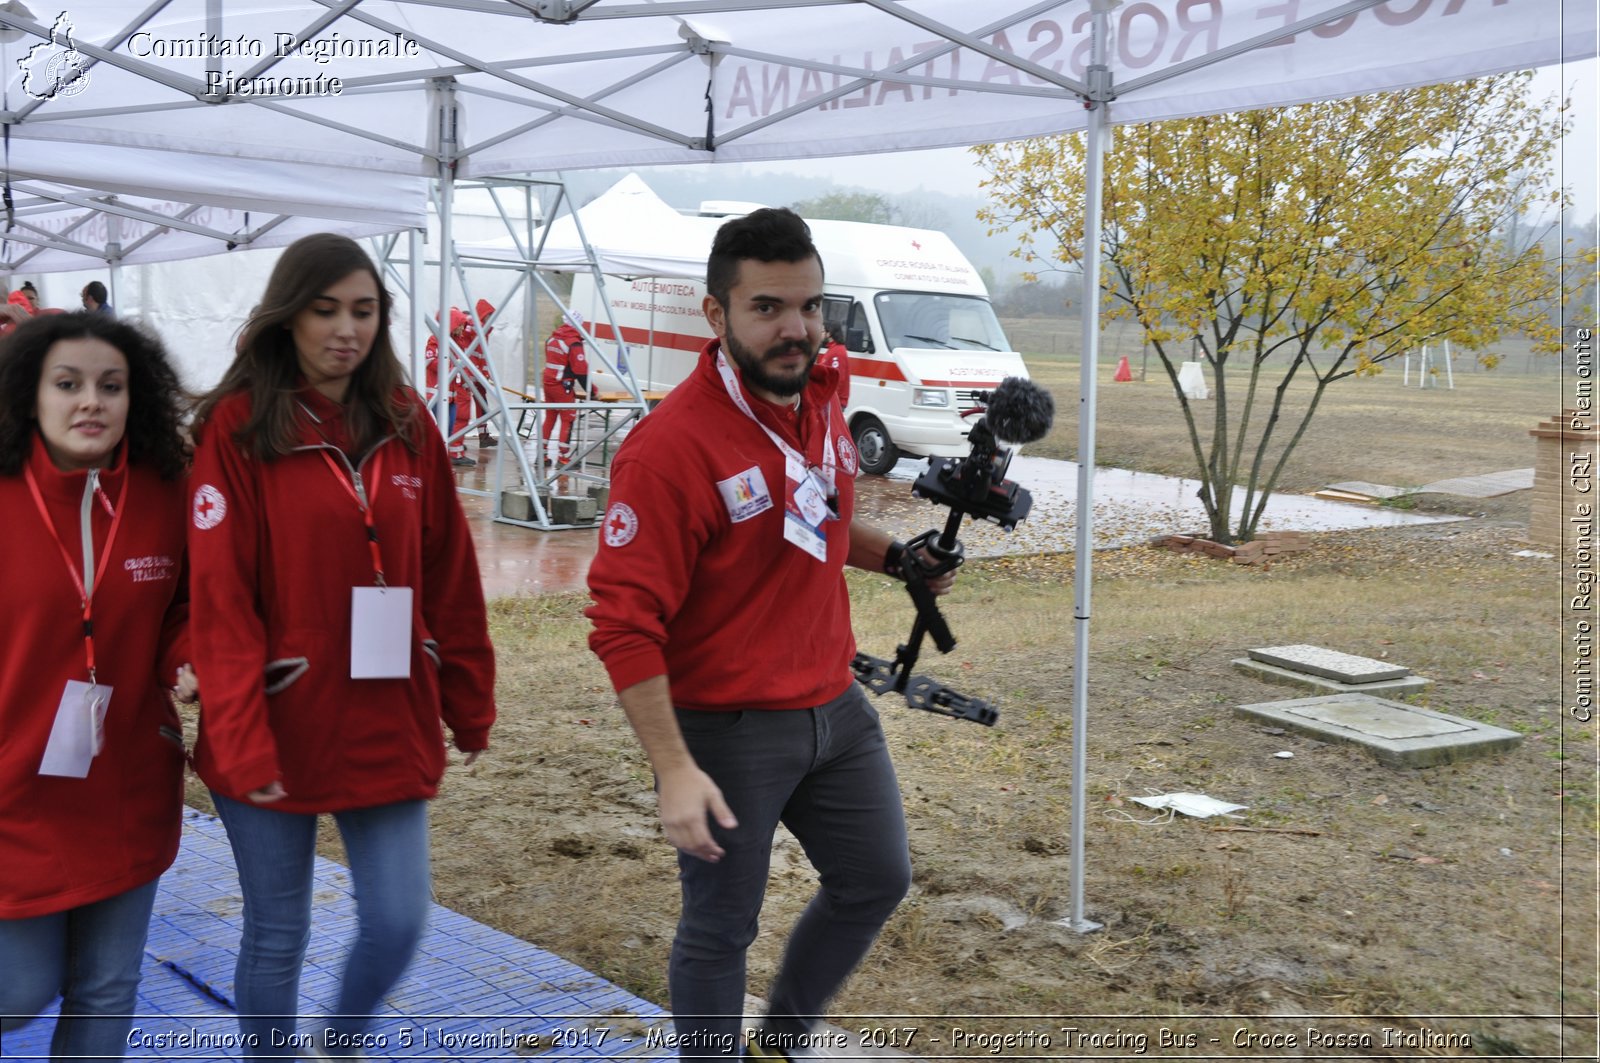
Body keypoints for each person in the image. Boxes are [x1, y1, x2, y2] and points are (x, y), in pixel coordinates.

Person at [586, 208, 953, 1060]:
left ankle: (778, 1041)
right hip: (729, 729)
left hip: (835, 705)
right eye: (768, 308)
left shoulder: (819, 389)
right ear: (716, 316)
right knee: (721, 928)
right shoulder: (667, 452)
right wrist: (675, 770)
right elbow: (622, 626)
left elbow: (816, 511)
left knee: (876, 878)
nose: (796, 328)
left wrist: (898, 554)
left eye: (810, 305)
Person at [187, 233, 496, 1061]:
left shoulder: (405, 420)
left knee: (399, 917)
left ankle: (340, 1043)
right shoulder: (239, 428)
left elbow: (449, 573)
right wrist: (241, 734)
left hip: (385, 707)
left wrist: (469, 697)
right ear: (288, 317)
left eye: (363, 310)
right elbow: (218, 600)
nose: (345, 330)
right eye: (325, 310)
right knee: (277, 933)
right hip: (273, 717)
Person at [0, 312, 196, 1060]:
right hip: (15, 791)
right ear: (30, 397)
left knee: (108, 988)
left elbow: (184, 603)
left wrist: (185, 654)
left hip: (125, 783)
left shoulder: (162, 491)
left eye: (111, 386)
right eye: (69, 383)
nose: (92, 401)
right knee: (16, 995)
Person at [540, 311, 589, 464]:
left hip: (548, 384)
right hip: (562, 386)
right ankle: (564, 458)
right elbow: (580, 370)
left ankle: (542, 455)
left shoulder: (553, 338)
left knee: (550, 418)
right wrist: (592, 391)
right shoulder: (573, 343)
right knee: (567, 419)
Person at [820, 324, 850, 407]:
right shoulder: (832, 349)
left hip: (833, 403)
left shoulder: (837, 351)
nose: (820, 334)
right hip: (829, 401)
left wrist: (830, 399)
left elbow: (838, 378)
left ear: (829, 334)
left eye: (822, 331)